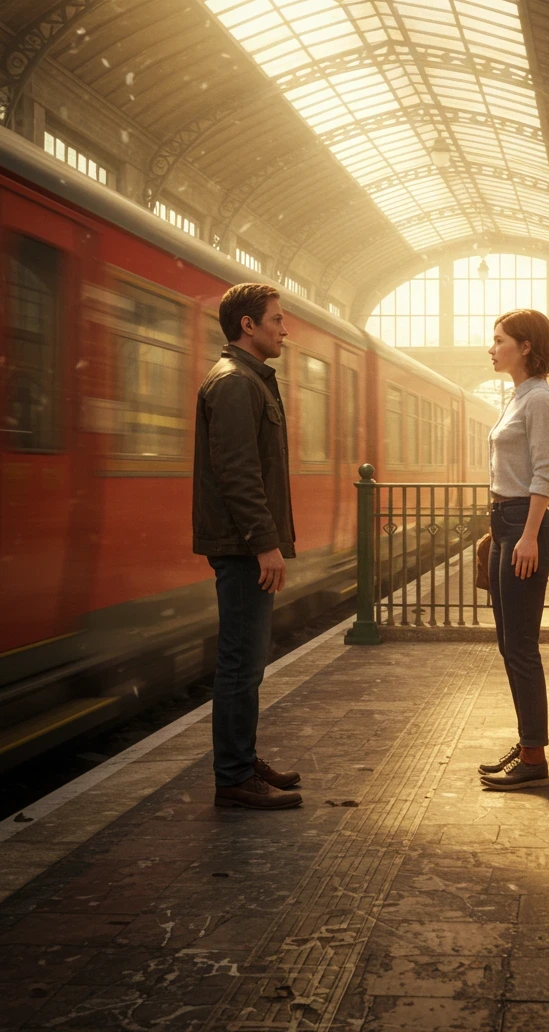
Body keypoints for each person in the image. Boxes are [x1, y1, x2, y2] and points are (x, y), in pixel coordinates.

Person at [193, 283, 303, 810]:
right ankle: (234, 776)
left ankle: (242, 758)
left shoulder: (248, 379)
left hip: (244, 544)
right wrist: (265, 544)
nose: (285, 329)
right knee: (240, 662)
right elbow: (238, 473)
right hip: (241, 548)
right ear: (248, 326)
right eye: (277, 319)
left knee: (249, 660)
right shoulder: (236, 383)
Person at [479, 309, 549, 791]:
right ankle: (528, 743)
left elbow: (544, 473)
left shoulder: (540, 401)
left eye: (499, 340)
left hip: (524, 528)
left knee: (523, 647)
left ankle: (534, 757)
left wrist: (528, 535)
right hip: (506, 524)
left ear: (525, 346)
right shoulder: (517, 397)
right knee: (509, 644)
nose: (491, 348)